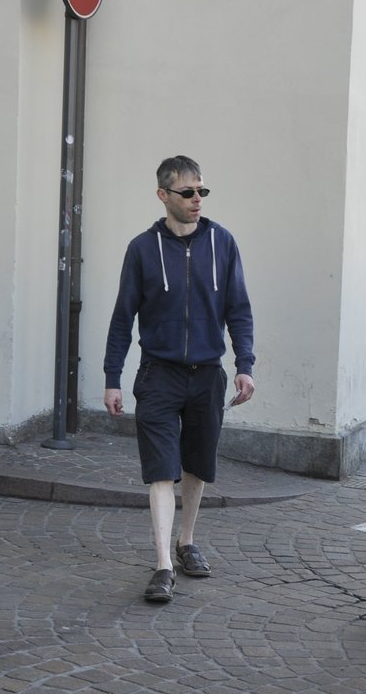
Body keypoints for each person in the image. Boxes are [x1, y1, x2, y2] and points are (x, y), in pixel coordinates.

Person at [103, 155, 255, 604]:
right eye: (187, 192)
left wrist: (244, 364)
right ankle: (163, 565)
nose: (196, 200)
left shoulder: (222, 243)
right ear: (163, 195)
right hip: (158, 375)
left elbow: (238, 310)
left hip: (207, 374)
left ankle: (186, 542)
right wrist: (113, 377)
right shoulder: (142, 248)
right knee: (160, 471)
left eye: (202, 192)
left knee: (196, 465)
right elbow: (121, 318)